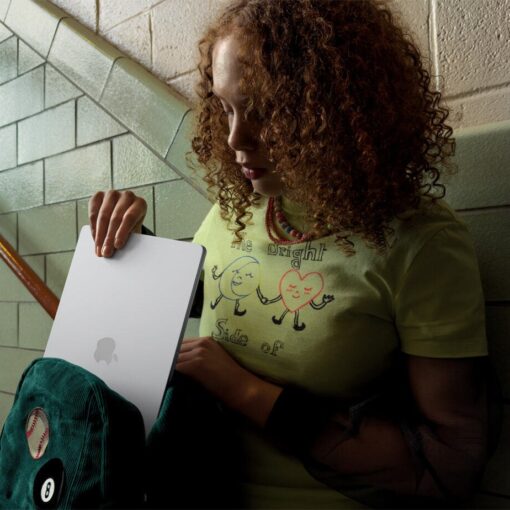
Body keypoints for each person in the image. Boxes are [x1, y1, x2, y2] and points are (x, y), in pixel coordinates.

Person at [88, 0, 493, 508]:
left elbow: (449, 466)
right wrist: (128, 242)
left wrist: (242, 389)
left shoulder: (423, 244)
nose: (235, 138)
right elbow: (189, 303)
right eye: (225, 108)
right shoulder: (232, 213)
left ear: (336, 108)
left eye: (263, 110)